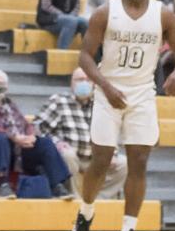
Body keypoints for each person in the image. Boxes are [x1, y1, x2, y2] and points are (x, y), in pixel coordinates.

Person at [71, 0, 175, 231]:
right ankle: (85, 214)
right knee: (102, 159)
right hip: (108, 90)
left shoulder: (163, 14)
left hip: (142, 94)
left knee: (139, 161)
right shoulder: (104, 12)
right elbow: (85, 56)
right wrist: (105, 86)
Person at [0, 69, 73, 199]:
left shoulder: (10, 104)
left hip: (12, 149)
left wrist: (31, 136)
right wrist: (14, 137)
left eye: (1, 84)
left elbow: (25, 124)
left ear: (6, 88)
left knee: (44, 142)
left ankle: (57, 185)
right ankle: (3, 185)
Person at [35, 69, 128, 199]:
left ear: (94, 84)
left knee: (123, 163)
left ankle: (99, 201)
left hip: (95, 159)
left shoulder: (101, 105)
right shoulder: (59, 101)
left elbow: (110, 133)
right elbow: (39, 128)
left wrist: (113, 153)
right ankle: (77, 202)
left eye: (88, 80)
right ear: (71, 83)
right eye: (79, 80)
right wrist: (58, 144)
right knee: (66, 155)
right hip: (71, 156)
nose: (84, 83)